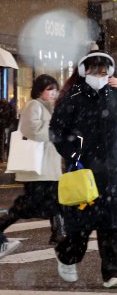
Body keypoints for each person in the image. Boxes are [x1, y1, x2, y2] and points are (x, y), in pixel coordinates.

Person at [49, 52, 117, 288]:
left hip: (113, 171)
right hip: (83, 169)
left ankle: (114, 273)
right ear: (83, 71)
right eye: (93, 71)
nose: (98, 76)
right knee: (80, 228)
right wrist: (74, 153)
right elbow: (56, 130)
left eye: (102, 71)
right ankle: (67, 256)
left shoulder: (116, 93)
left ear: (109, 72)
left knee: (112, 224)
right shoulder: (74, 96)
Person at [0, 75, 63, 261]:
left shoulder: (51, 108)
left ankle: (59, 233)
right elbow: (32, 131)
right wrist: (55, 128)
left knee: (56, 201)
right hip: (37, 169)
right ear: (39, 91)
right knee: (28, 205)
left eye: (55, 89)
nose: (53, 93)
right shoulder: (34, 105)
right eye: (49, 89)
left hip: (49, 169)